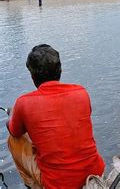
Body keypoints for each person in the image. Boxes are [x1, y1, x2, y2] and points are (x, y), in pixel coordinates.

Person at [6, 44, 105, 188]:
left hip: (58, 184)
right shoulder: (81, 93)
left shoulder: (23, 103)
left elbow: (14, 130)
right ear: (60, 70)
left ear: (33, 76)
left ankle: (32, 184)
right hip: (95, 172)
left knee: (14, 140)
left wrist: (13, 113)